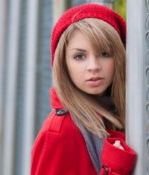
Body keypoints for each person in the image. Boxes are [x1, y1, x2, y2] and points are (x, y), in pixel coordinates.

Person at [31, 3, 136, 175]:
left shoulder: (119, 113)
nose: (93, 66)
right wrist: (115, 168)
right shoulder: (59, 133)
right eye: (79, 56)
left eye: (104, 53)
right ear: (63, 64)